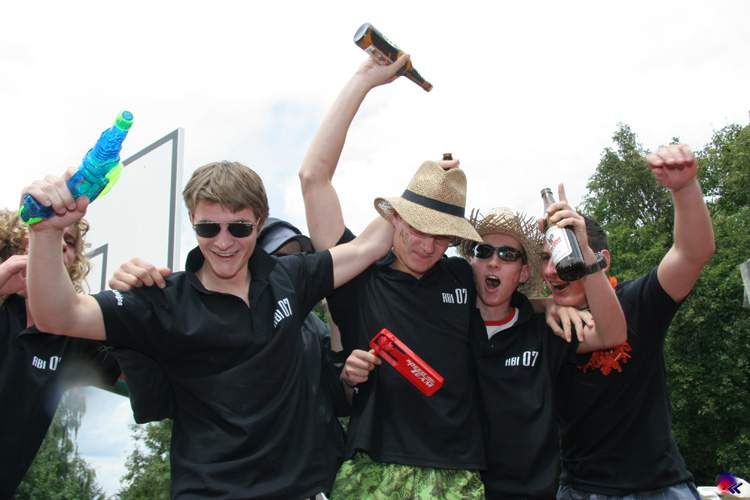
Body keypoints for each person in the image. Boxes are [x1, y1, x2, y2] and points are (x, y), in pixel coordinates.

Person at [23, 160, 394, 499]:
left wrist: (426, 189)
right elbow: (59, 315)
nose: (223, 242)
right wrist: (46, 233)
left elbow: (369, 246)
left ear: (260, 221)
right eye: (208, 228)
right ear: (191, 219)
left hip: (308, 489)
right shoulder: (163, 300)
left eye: (239, 228)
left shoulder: (288, 278)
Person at [299, 54, 487, 498]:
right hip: (375, 467)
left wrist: (557, 306)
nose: (427, 245)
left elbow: (516, 299)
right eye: (417, 228)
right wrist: (364, 80)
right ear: (395, 220)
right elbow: (313, 179)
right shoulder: (358, 275)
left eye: (442, 236)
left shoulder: (462, 276)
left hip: (457, 472)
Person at [109, 215, 350, 494]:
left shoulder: (311, 327)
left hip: (317, 485)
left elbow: (340, 401)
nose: (295, 266)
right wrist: (131, 324)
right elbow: (155, 404)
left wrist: (339, 318)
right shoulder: (194, 323)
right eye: (280, 259)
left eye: (301, 257)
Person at [547, 144, 715, 499]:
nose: (552, 268)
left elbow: (692, 253)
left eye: (563, 254)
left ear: (601, 260)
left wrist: (684, 188)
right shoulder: (547, 324)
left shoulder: (636, 301)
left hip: (660, 487)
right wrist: (544, 306)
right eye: (546, 258)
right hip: (581, 490)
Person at [461, 204, 626, 499]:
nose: (494, 262)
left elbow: (612, 334)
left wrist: (586, 256)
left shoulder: (546, 330)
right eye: (483, 251)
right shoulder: (449, 324)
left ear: (524, 273)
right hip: (459, 489)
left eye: (508, 254)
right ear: (471, 262)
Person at [0, 209, 120, 498]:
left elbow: (138, 367)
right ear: (22, 243)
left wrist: (138, 301)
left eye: (69, 240)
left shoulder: (74, 333)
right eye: (50, 233)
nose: (61, 244)